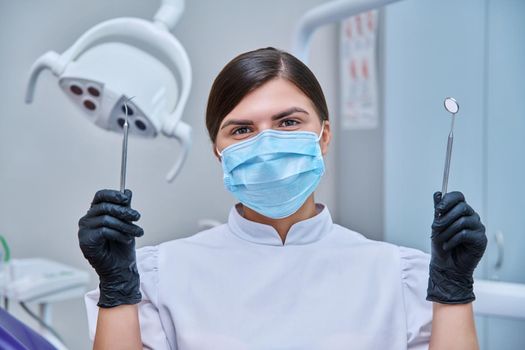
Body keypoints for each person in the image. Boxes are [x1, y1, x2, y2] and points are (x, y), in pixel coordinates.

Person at [79, 47, 487, 350]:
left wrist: (453, 290)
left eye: (288, 122)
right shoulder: (160, 275)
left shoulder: (395, 276)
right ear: (217, 150)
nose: (268, 144)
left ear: (323, 136)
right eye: (241, 130)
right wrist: (116, 288)